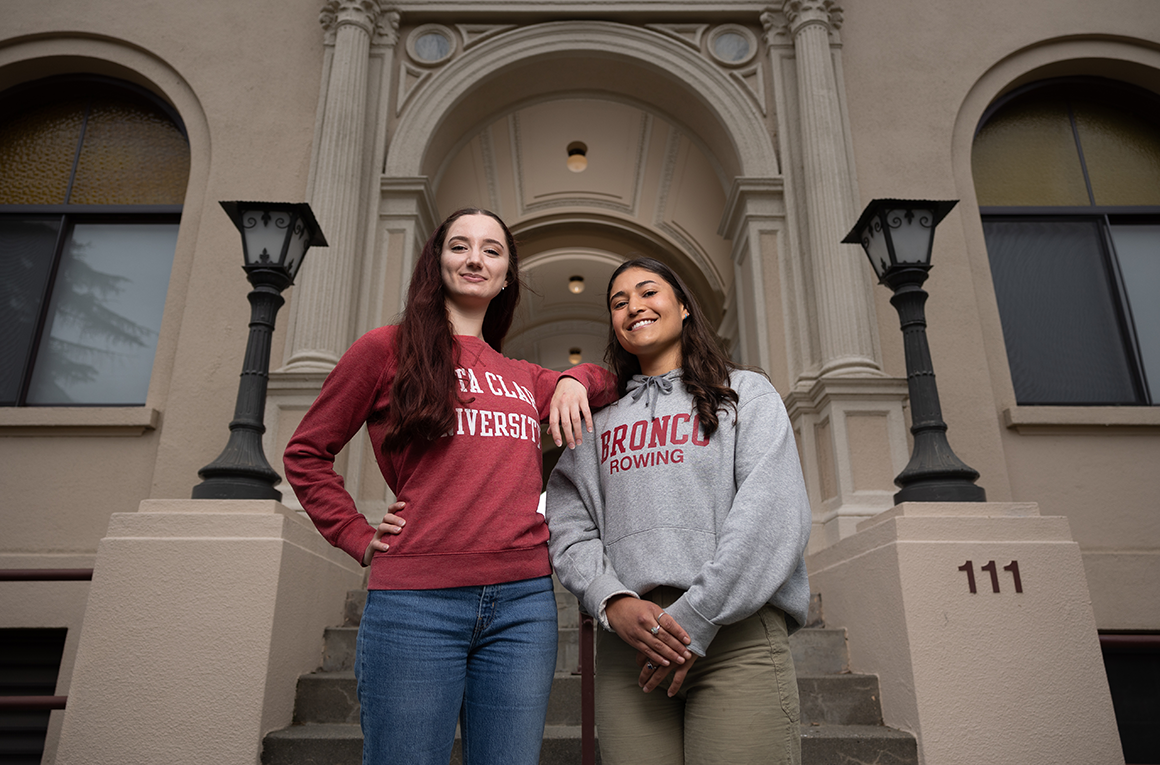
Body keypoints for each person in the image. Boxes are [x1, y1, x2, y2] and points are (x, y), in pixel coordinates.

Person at [283, 208, 617, 765]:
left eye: (492, 250)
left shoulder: (522, 375)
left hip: (523, 605)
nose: (474, 259)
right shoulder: (385, 350)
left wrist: (570, 380)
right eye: (459, 246)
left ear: (507, 275)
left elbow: (609, 378)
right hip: (415, 603)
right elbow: (305, 453)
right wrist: (355, 533)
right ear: (437, 262)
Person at [546, 257, 811, 765]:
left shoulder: (746, 395)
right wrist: (610, 599)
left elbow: (771, 513)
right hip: (632, 649)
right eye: (618, 303)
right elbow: (567, 522)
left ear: (684, 306)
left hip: (736, 635)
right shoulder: (598, 422)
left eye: (648, 292)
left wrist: (697, 617)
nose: (634, 307)